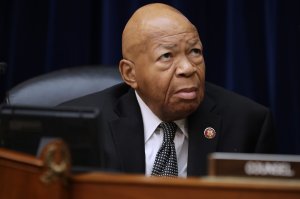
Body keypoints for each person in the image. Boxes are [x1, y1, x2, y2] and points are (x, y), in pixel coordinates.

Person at [60, 3, 276, 177]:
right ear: (130, 74)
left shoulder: (247, 123)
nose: (188, 68)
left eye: (195, 51)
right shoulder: (80, 126)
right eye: (167, 56)